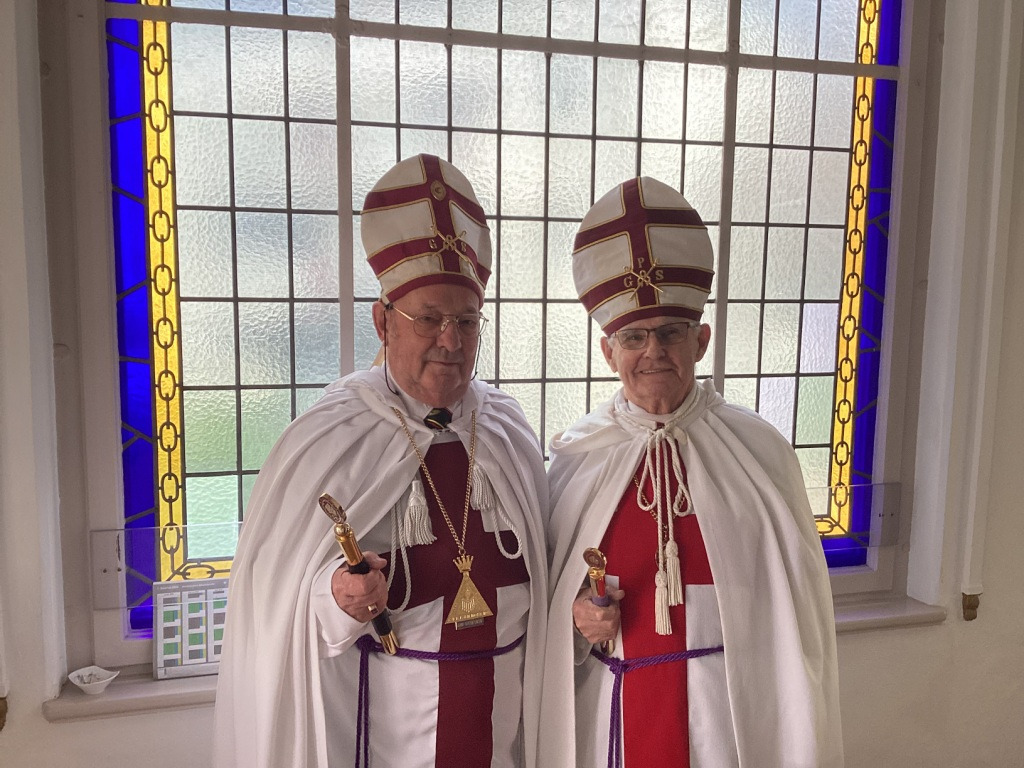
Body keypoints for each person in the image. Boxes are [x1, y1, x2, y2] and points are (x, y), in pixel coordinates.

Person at [214, 154, 549, 768]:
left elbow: (549, 576)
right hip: (387, 738)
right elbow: (275, 607)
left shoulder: (507, 431)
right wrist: (335, 597)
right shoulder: (331, 438)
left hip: (503, 731)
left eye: (466, 321)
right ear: (383, 321)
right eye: (429, 319)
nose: (450, 340)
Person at [538, 177, 843, 768]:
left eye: (670, 332)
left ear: (700, 340)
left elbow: (792, 620)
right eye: (633, 336)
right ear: (608, 352)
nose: (653, 351)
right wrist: (576, 617)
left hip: (727, 722)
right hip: (613, 717)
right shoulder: (580, 457)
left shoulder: (756, 452)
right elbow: (551, 611)